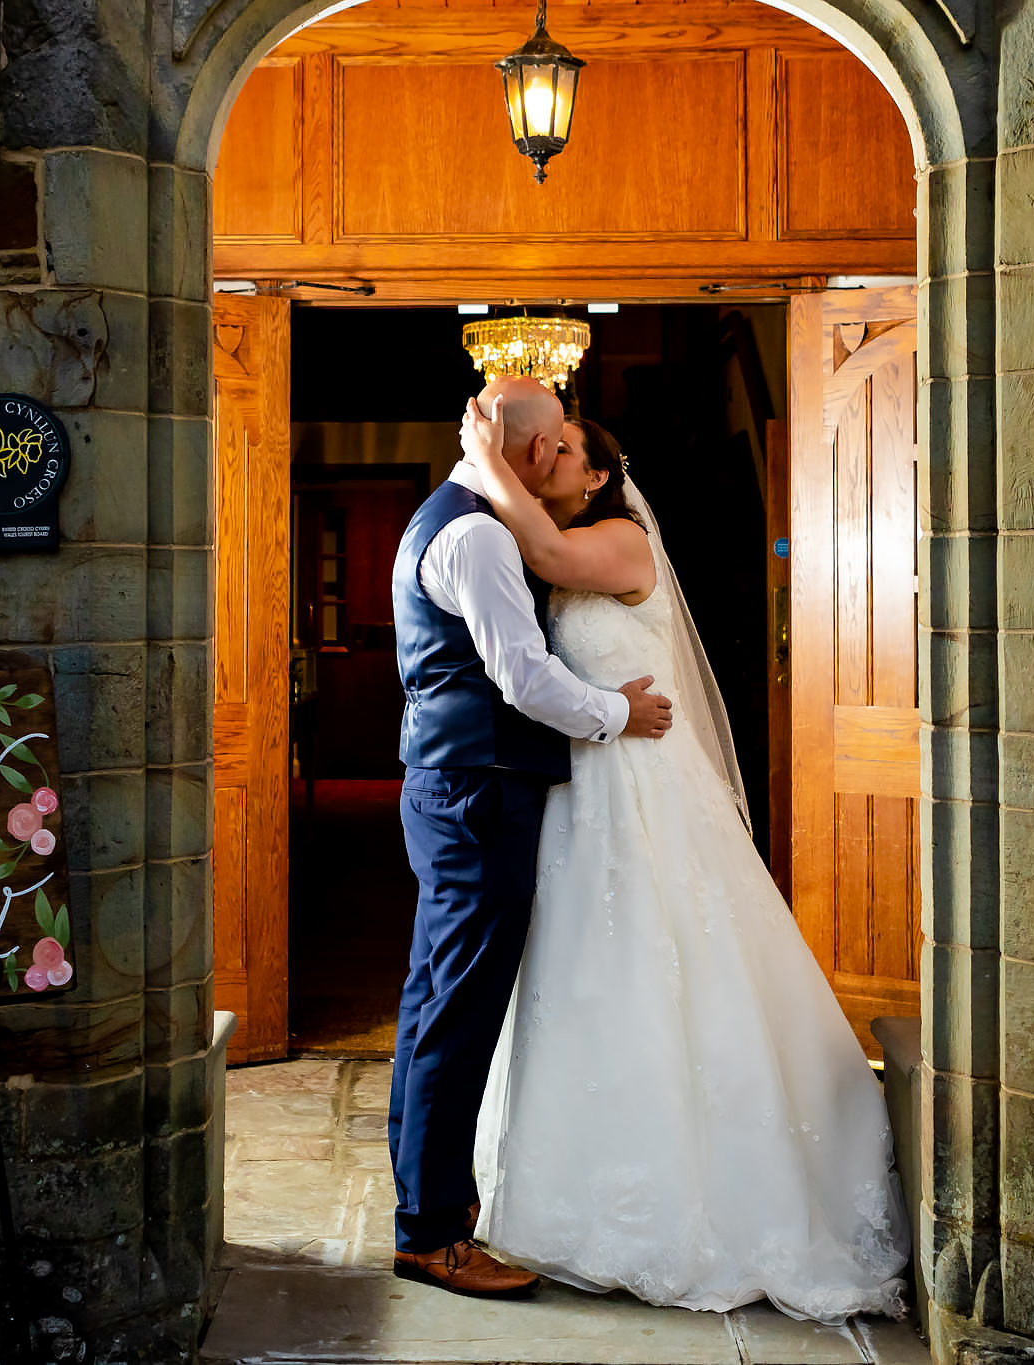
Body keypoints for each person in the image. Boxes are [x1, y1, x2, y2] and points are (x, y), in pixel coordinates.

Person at [460, 399, 912, 1323]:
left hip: (646, 786)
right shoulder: (542, 534)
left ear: (598, 477)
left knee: (676, 960)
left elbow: (545, 553)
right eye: (541, 446)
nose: (548, 456)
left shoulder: (622, 539)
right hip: (583, 788)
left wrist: (482, 454)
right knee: (588, 973)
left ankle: (722, 1191)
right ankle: (580, 1190)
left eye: (567, 450)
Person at [386, 376, 674, 1298]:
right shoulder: (474, 536)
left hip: (461, 785)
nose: (556, 455)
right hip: (480, 790)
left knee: (436, 1003)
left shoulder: (466, 519)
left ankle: (431, 1215)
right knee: (457, 1013)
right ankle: (431, 1234)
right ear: (522, 450)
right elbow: (525, 679)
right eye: (548, 442)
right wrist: (613, 715)